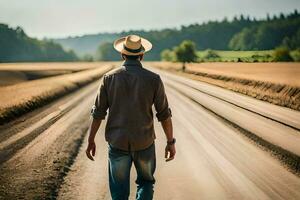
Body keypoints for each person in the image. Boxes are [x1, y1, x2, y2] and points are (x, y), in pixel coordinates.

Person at [85, 35, 176, 200]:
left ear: (122, 54)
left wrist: (91, 140)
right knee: (146, 183)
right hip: (145, 143)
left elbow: (98, 113)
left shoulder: (108, 79)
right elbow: (164, 114)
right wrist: (170, 142)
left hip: (117, 142)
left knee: (119, 192)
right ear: (142, 55)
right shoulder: (154, 79)